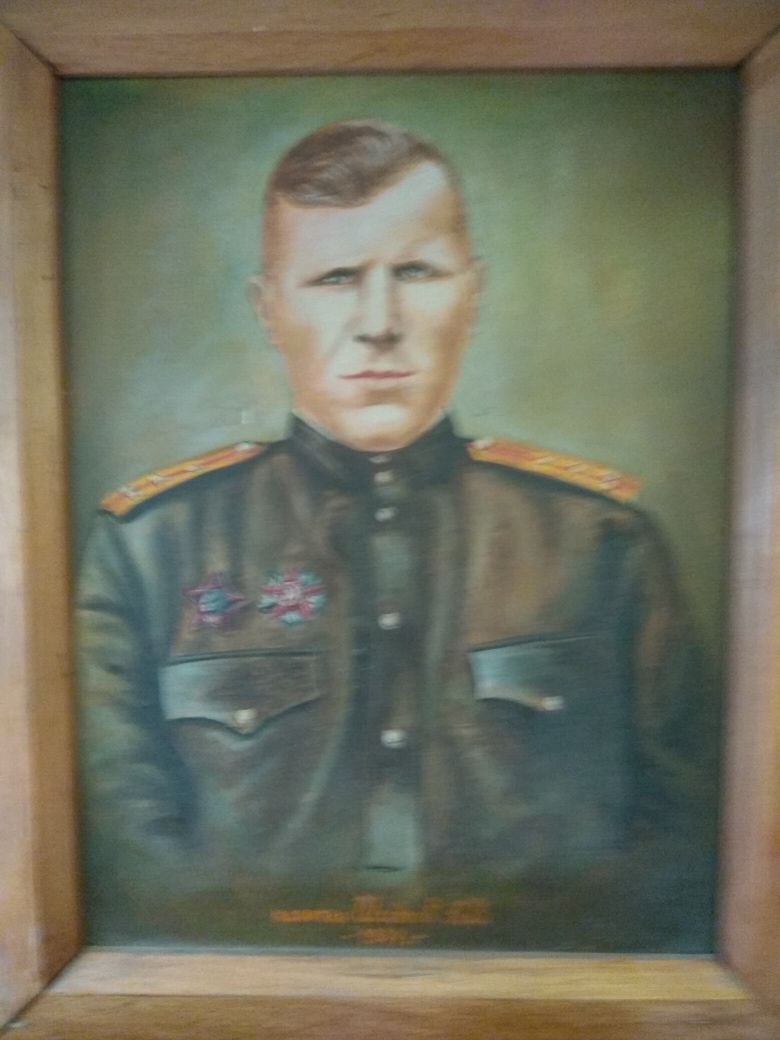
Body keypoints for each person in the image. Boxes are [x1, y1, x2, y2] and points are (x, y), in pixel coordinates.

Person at [77, 120, 715, 950]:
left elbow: (683, 840)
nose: (379, 322)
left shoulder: (603, 542)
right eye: (335, 278)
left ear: (473, 293)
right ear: (269, 308)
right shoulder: (148, 549)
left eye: (416, 272)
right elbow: (124, 863)